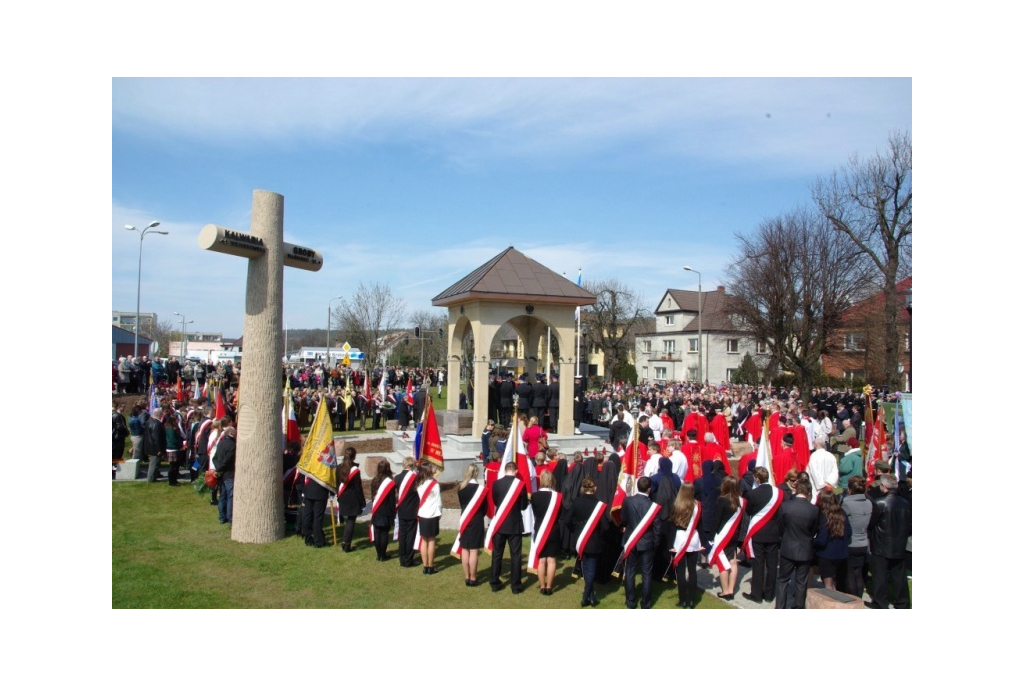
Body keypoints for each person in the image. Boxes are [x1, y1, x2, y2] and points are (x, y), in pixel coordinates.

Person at [866, 473, 912, 609]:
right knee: (899, 577)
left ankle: (880, 602)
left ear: (884, 487)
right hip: (899, 544)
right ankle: (902, 603)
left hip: (880, 544)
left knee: (880, 576)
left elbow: (872, 523)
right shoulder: (905, 503)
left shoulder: (879, 502)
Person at [741, 466, 783, 604]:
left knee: (758, 564)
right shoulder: (780, 493)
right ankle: (770, 594)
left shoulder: (752, 494)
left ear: (757, 479)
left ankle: (756, 594)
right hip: (774, 532)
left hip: (758, 531)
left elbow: (749, 511)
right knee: (772, 565)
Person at [775, 479, 818, 609]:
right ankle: (798, 607)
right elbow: (814, 530)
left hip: (788, 546)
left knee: (783, 580)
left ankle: (780, 607)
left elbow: (780, 527)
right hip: (804, 548)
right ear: (808, 492)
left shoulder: (786, 506)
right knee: (801, 582)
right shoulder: (813, 509)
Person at [620, 476, 661, 609]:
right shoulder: (652, 505)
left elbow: (623, 518)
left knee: (630, 571)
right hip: (647, 542)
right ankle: (645, 603)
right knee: (646, 573)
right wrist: (656, 543)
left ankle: (631, 601)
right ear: (649, 489)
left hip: (631, 540)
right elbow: (657, 528)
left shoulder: (628, 500)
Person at [488, 461, 529, 593]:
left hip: (500, 523)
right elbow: (523, 506)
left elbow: (495, 501)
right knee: (515, 556)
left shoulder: (496, 483)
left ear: (505, 470)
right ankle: (516, 585)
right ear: (516, 471)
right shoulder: (521, 485)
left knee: (497, 554)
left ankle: (494, 582)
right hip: (514, 524)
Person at [569, 477, 606, 607]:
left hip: (581, 538)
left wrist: (576, 530)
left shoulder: (576, 502)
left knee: (586, 567)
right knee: (591, 568)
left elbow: (568, 520)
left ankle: (589, 595)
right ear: (595, 488)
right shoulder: (599, 504)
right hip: (594, 539)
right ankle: (587, 596)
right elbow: (605, 526)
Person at [668, 482, 703, 608]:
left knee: (681, 572)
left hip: (680, 539)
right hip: (693, 538)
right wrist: (703, 542)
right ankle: (692, 600)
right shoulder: (698, 505)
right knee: (692, 570)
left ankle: (683, 600)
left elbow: (672, 526)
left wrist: (670, 544)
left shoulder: (676, 505)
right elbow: (701, 525)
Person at [709, 475, 743, 600]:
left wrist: (711, 536)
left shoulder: (722, 500)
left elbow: (716, 520)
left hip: (723, 535)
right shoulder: (740, 500)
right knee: (733, 562)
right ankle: (731, 589)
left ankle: (725, 591)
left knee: (722, 563)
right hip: (734, 534)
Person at [529, 470, 562, 595]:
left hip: (540, 529)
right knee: (552, 560)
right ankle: (549, 587)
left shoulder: (534, 496)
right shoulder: (558, 496)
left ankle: (542, 586)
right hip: (553, 529)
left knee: (541, 560)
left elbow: (535, 513)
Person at [454, 464, 487, 586]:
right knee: (474, 550)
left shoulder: (461, 488)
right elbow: (485, 508)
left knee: (465, 549)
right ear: (476, 473)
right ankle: (473, 577)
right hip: (477, 520)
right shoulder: (481, 489)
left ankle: (467, 576)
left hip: (464, 519)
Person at [813, 489, 851, 590]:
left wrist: (812, 541)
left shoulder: (824, 516)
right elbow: (849, 532)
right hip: (842, 554)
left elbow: (822, 540)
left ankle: (831, 605)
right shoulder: (842, 513)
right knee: (836, 583)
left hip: (827, 555)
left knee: (828, 585)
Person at [841, 475, 872, 598]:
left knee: (849, 575)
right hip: (863, 543)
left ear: (850, 489)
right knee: (858, 573)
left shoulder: (847, 504)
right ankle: (859, 598)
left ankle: (852, 599)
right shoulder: (868, 502)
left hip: (851, 543)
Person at [336, 447, 366, 552]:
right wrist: (362, 501)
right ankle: (346, 544)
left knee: (348, 521)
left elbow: (337, 484)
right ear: (354, 456)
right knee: (350, 521)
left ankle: (345, 541)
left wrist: (337, 497)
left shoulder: (339, 467)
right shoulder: (355, 470)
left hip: (343, 497)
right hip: (352, 498)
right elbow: (358, 488)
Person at [416, 462, 442, 574]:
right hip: (432, 514)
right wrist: (440, 513)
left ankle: (425, 566)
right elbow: (438, 502)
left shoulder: (419, 483)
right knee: (431, 540)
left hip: (422, 513)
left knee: (424, 541)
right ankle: (430, 566)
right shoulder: (434, 484)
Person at [394, 457, 421, 567]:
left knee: (403, 535)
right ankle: (409, 559)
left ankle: (402, 558)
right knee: (411, 535)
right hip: (412, 510)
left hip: (401, 509)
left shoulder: (397, 477)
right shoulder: (415, 478)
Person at [369, 460, 397, 561]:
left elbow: (372, 497)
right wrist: (393, 513)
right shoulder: (390, 482)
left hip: (376, 510)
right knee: (384, 533)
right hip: (386, 511)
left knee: (377, 533)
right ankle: (383, 555)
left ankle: (378, 555)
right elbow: (392, 500)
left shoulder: (374, 480)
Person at [214, 423, 237, 526]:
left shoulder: (221, 443)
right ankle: (230, 517)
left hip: (221, 473)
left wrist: (218, 469)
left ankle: (221, 517)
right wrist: (221, 468)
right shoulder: (232, 445)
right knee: (230, 495)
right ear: (231, 433)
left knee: (223, 495)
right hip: (229, 473)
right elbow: (228, 459)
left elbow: (215, 457)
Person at [807, 436, 839, 503]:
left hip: (817, 486)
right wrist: (828, 482)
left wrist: (821, 484)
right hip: (827, 485)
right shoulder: (831, 455)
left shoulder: (814, 456)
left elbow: (814, 472)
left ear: (816, 445)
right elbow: (835, 472)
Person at [143, 407, 167, 482]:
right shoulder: (156, 424)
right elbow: (156, 438)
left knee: (155, 463)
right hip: (154, 448)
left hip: (150, 446)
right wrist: (159, 449)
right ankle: (150, 478)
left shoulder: (149, 421)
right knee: (154, 463)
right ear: (159, 414)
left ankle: (154, 476)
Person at [112, 402, 129, 478]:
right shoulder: (117, 415)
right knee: (116, 455)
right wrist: (126, 432)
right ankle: (115, 471)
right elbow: (120, 427)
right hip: (116, 437)